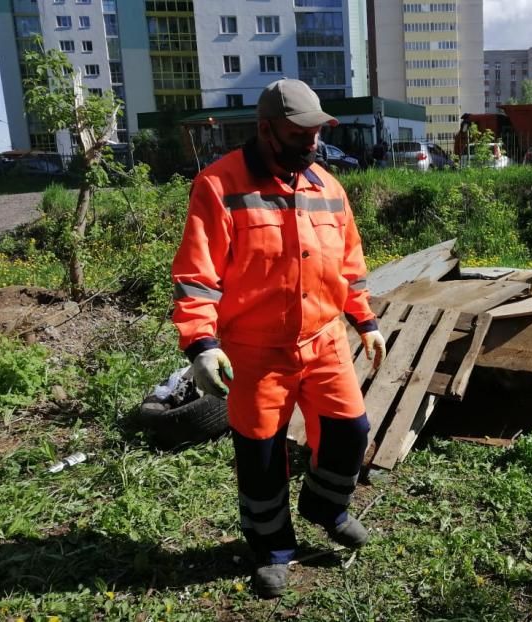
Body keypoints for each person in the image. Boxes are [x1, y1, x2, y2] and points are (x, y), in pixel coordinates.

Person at [171, 79, 387, 598]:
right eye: (299, 133)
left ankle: (326, 506)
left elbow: (349, 268)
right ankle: (272, 549)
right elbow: (198, 275)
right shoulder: (219, 185)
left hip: (324, 339)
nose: (311, 144)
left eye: (316, 133)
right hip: (255, 349)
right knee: (262, 455)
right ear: (266, 129)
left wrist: (366, 320)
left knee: (350, 431)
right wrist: (202, 343)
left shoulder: (328, 188)